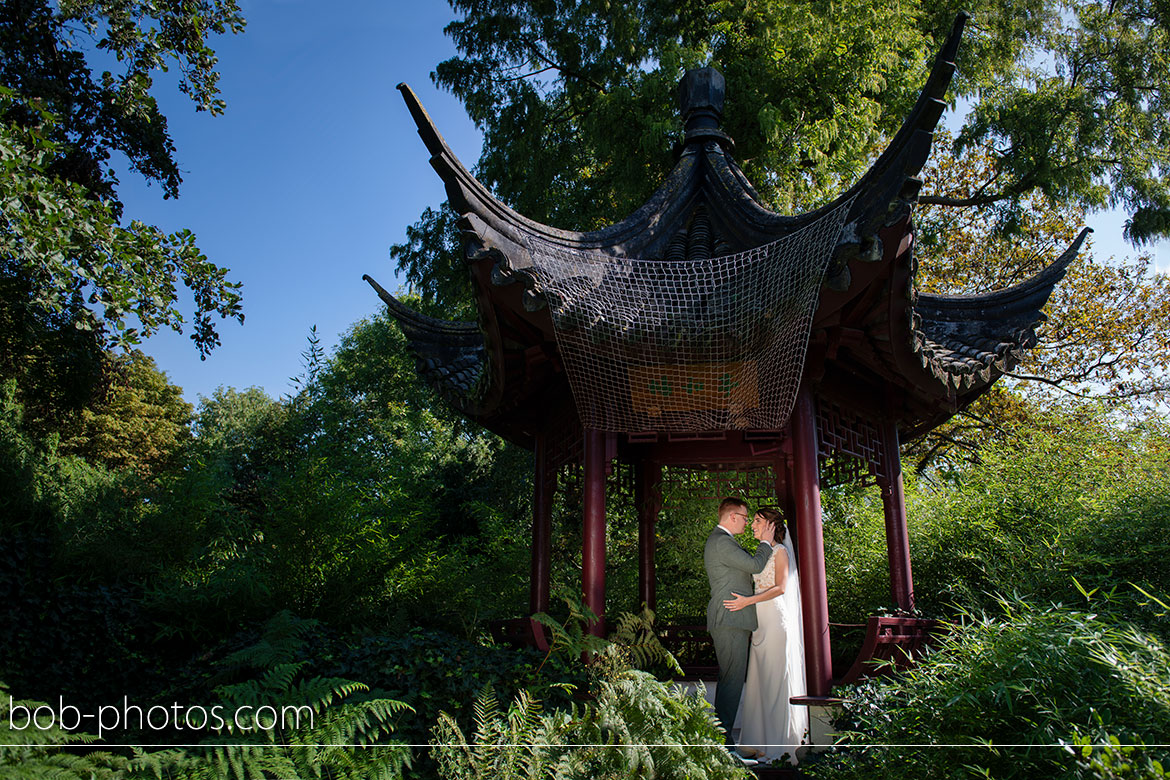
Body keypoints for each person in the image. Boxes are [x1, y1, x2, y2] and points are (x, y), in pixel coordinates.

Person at [724, 508, 809, 764]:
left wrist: (748, 601)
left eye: (758, 521)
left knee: (774, 682)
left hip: (775, 620)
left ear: (771, 525)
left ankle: (779, 745)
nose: (752, 525)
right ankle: (757, 744)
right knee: (760, 681)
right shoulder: (761, 553)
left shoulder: (780, 551)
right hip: (760, 622)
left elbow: (781, 587)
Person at [703, 497, 774, 756]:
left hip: (732, 619)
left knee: (729, 679)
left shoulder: (722, 541)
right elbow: (755, 565)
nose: (747, 522)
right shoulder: (721, 542)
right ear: (732, 516)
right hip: (730, 619)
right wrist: (766, 541)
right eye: (745, 517)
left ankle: (722, 741)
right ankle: (724, 746)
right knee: (732, 680)